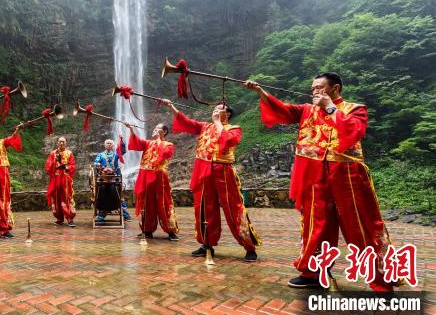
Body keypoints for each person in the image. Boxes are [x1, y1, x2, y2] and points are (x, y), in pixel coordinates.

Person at [245, 73, 393, 291]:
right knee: (316, 225)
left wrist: (330, 107)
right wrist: (260, 92)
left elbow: (354, 130)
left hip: (348, 174)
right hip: (315, 175)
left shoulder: (355, 108)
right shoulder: (306, 110)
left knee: (361, 225)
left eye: (320, 87)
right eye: (313, 88)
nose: (314, 91)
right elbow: (281, 109)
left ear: (335, 88)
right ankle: (313, 272)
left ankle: (382, 279)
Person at [164, 99, 260, 261]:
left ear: (227, 114)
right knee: (203, 208)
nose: (215, 110)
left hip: (223, 171)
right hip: (203, 170)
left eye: (219, 109)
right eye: (214, 108)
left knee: (233, 208)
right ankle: (206, 244)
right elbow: (187, 123)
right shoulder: (205, 127)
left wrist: (217, 122)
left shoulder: (234, 129)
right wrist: (171, 107)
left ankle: (249, 246)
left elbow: (229, 141)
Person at [125, 123, 179, 241]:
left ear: (164, 132)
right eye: (154, 128)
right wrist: (132, 130)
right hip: (145, 175)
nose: (154, 130)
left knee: (164, 202)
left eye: (157, 128)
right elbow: (136, 143)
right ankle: (147, 229)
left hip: (159, 176)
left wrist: (158, 139)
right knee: (146, 203)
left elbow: (164, 153)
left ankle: (171, 230)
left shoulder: (168, 144)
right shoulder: (148, 143)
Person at [93, 138, 131, 221]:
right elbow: (95, 163)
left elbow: (123, 151)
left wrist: (121, 141)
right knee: (102, 193)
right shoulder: (100, 155)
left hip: (115, 178)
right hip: (104, 179)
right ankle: (102, 214)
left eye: (110, 143)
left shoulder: (116, 154)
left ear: (113, 145)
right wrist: (98, 164)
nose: (109, 144)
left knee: (119, 193)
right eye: (107, 143)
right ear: (104, 145)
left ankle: (125, 214)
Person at [45, 136, 77, 227]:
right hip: (56, 179)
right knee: (56, 198)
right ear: (57, 143)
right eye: (60, 141)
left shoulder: (69, 153)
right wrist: (54, 161)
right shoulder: (53, 153)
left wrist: (66, 167)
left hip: (66, 180)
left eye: (63, 141)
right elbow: (48, 166)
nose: (61, 143)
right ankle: (59, 218)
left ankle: (70, 218)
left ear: (66, 143)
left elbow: (73, 166)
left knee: (67, 198)